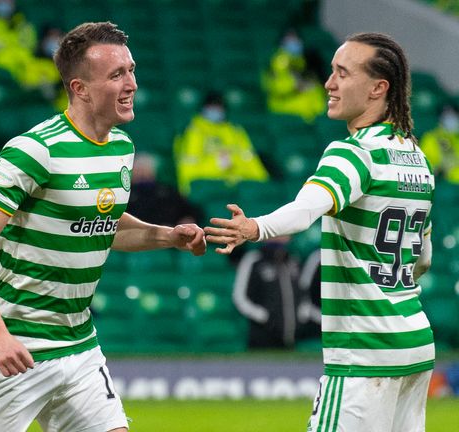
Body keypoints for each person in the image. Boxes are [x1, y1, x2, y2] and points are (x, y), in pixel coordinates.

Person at [0, 22, 206, 432]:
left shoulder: (121, 147)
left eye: (131, 70)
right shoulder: (34, 151)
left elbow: (103, 225)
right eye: (117, 75)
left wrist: (167, 236)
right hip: (17, 346)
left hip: (79, 344)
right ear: (79, 88)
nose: (131, 83)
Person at [205, 33, 435, 431]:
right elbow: (423, 259)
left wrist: (255, 227)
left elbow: (305, 209)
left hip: (365, 352)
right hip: (413, 342)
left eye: (342, 74)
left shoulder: (354, 153)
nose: (328, 83)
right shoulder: (417, 159)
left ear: (379, 88)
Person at [173, 91, 269, 195]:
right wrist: (218, 163)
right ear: (203, 108)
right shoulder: (193, 131)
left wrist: (263, 188)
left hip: (238, 189)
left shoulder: (235, 131)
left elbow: (253, 164)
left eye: (219, 107)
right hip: (209, 190)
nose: (216, 111)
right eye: (212, 107)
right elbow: (188, 172)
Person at [232, 236, 301, 349]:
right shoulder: (254, 259)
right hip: (262, 336)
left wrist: (299, 316)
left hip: (291, 335)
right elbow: (239, 296)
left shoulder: (292, 259)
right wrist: (262, 316)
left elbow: (303, 292)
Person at [262, 28, 327, 123]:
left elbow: (317, 88)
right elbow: (277, 88)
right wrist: (298, 86)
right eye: (290, 40)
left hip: (311, 115)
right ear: (282, 42)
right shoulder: (277, 62)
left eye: (296, 39)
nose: (294, 43)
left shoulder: (306, 61)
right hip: (287, 113)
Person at [127, 152, 201, 226]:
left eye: (144, 170)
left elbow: (190, 212)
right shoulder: (126, 194)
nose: (142, 174)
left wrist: (187, 219)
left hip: (168, 232)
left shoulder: (167, 192)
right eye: (138, 170)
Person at [420, 102, 459, 183]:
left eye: (454, 115)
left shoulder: (456, 137)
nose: (452, 119)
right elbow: (425, 168)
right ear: (440, 118)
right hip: (445, 186)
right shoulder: (430, 138)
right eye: (447, 116)